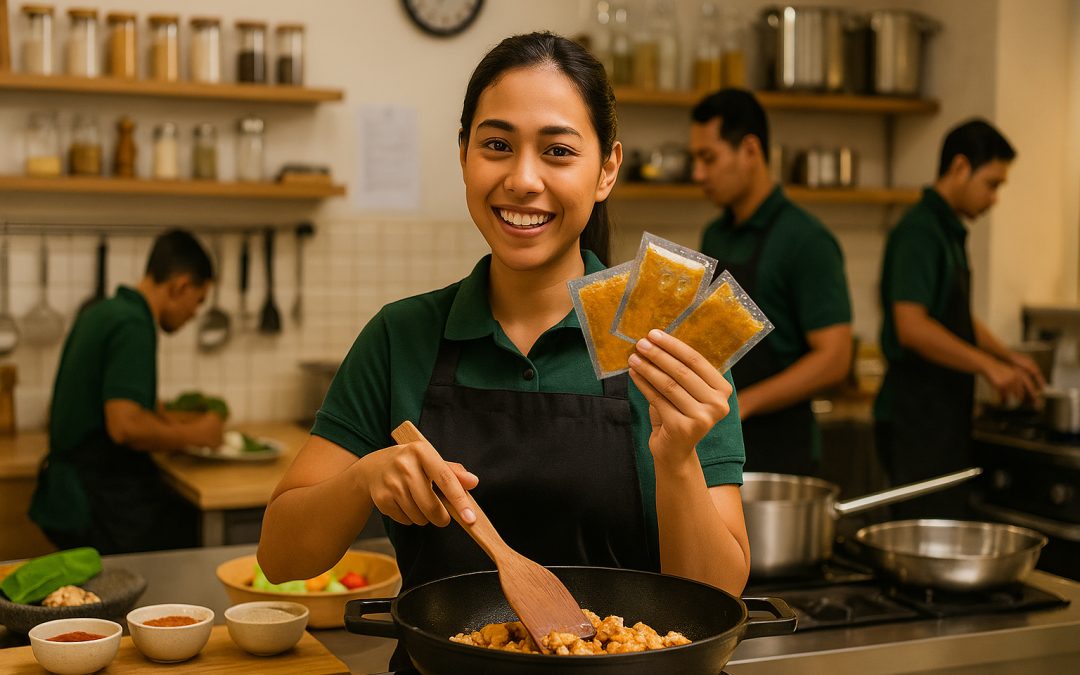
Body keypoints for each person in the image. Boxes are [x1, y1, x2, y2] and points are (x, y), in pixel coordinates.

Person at [258, 31, 750, 640]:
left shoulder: (673, 343)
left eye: (558, 152)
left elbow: (717, 598)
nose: (522, 179)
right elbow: (280, 558)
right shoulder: (400, 337)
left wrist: (676, 459)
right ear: (462, 154)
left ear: (607, 170)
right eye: (496, 144)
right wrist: (362, 480)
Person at [875, 118, 1044, 520]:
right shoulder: (919, 230)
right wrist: (988, 368)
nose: (995, 198)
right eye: (992, 184)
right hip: (915, 420)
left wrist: (1006, 358)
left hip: (942, 418)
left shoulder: (947, 230)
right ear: (960, 168)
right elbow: (912, 326)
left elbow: (954, 318)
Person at [689, 89, 853, 476]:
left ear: (750, 150)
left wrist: (745, 402)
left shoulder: (806, 239)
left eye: (708, 158)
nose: (698, 174)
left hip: (783, 451)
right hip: (720, 441)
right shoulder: (714, 234)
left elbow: (835, 359)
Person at [30, 229, 223, 554]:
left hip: (69, 489)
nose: (195, 313)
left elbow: (121, 402)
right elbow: (125, 426)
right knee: (190, 531)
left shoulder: (104, 312)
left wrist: (173, 422)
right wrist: (195, 434)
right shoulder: (133, 325)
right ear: (181, 286)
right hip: (97, 502)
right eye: (199, 301)